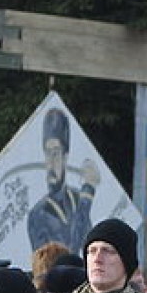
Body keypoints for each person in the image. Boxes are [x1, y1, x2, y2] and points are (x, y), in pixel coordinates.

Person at [27, 107, 98, 253]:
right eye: (47, 153)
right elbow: (69, 252)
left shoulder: (76, 198)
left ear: (65, 157)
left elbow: (90, 248)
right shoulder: (38, 213)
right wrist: (88, 194)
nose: (51, 162)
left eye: (56, 153)